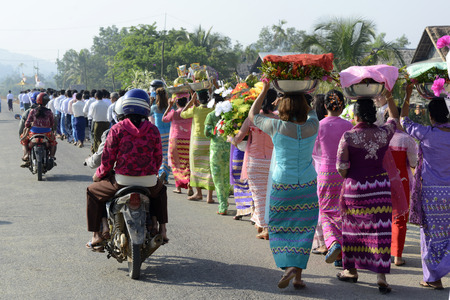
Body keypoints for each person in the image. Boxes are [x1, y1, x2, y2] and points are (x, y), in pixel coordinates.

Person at [249, 82, 319, 289]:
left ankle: (288, 266)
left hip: (283, 184)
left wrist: (264, 90)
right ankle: (297, 276)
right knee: (304, 229)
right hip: (307, 183)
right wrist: (305, 92)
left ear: (283, 107)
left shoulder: (276, 126)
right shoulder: (313, 125)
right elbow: (313, 109)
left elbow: (253, 114)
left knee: (281, 227)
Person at [86, 89, 169, 249]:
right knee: (161, 191)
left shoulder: (117, 129)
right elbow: (158, 158)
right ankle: (162, 229)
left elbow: (107, 160)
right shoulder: (153, 129)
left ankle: (96, 235)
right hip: (149, 181)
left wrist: (99, 175)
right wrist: (151, 172)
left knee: (92, 191)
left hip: (122, 181)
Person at [336, 92, 399, 294]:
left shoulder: (348, 136)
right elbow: (394, 119)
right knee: (380, 231)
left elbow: (341, 168)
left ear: (355, 116)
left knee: (353, 229)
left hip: (356, 188)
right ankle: (381, 276)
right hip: (380, 187)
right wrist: (389, 97)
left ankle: (351, 271)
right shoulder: (384, 133)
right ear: (372, 114)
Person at [400, 95, 450, 290]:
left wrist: (407, 95)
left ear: (430, 116)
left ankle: (433, 278)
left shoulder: (426, 133)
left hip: (432, 193)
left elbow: (403, 120)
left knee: (430, 235)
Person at [312, 90, 354, 267]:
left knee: (326, 212)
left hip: (325, 173)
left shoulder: (318, 125)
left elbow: (314, 152)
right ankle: (342, 254)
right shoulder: (349, 125)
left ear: (324, 106)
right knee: (342, 212)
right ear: (342, 105)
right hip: (344, 173)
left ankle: (333, 243)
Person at [230, 88, 277, 239]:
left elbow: (238, 139)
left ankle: (265, 227)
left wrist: (230, 138)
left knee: (258, 196)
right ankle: (263, 224)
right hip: (273, 162)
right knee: (270, 195)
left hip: (255, 163)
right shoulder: (279, 120)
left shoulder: (253, 118)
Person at [180, 91, 215, 202]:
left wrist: (191, 101)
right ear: (208, 99)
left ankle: (199, 193)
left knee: (196, 167)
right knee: (209, 168)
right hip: (210, 141)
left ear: (198, 100)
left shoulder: (195, 110)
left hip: (197, 143)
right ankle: (209, 196)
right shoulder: (212, 109)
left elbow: (182, 113)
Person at [204, 92, 231, 215]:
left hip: (216, 151)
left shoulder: (210, 115)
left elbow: (207, 133)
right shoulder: (229, 114)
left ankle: (223, 204)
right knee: (226, 176)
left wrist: (215, 130)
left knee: (218, 178)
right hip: (229, 148)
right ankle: (225, 200)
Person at [162, 93, 193, 195]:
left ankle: (178, 187)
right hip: (188, 140)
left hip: (175, 141)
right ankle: (189, 185)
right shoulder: (190, 113)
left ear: (177, 103)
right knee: (188, 163)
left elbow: (164, 119)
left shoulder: (174, 113)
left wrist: (169, 106)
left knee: (176, 163)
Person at [20, 93, 57, 167]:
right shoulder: (49, 112)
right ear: (46, 102)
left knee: (24, 140)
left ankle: (26, 154)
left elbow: (27, 123)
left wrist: (29, 126)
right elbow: (52, 124)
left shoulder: (32, 111)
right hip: (47, 134)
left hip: (33, 133)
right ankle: (52, 157)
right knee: (53, 142)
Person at [150, 88, 171, 183]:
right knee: (167, 155)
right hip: (169, 133)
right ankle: (165, 174)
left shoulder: (154, 108)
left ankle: (161, 172)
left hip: (159, 134)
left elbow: (147, 113)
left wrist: (151, 101)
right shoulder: (170, 107)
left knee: (159, 154)